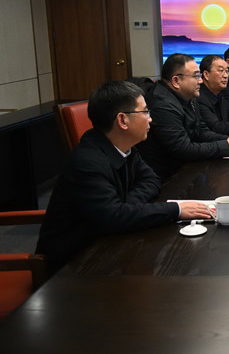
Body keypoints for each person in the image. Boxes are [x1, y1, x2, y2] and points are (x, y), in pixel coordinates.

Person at [36, 81, 214, 275]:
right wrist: (176, 209)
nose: (151, 119)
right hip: (73, 267)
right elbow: (113, 218)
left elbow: (151, 180)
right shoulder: (87, 162)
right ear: (123, 120)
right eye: (145, 112)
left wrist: (126, 205)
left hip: (107, 245)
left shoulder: (124, 146)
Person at [137, 53, 229, 180]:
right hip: (168, 178)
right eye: (196, 76)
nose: (200, 81)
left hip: (186, 168)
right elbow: (183, 149)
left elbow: (201, 131)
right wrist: (226, 146)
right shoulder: (162, 105)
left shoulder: (188, 95)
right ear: (176, 81)